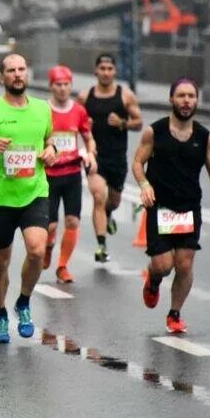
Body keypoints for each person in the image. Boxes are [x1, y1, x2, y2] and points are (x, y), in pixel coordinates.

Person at [132, 78, 210, 333]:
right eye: (181, 96)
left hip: (189, 206)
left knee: (185, 264)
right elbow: (137, 163)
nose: (186, 101)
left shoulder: (204, 137)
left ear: (196, 101)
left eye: (191, 96)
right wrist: (144, 186)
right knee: (163, 266)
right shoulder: (155, 132)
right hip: (160, 206)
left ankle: (174, 314)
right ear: (171, 100)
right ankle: (153, 280)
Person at [0, 54, 57, 344]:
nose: (18, 74)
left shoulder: (43, 109)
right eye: (11, 70)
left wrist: (51, 151)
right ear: (2, 77)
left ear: (28, 74)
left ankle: (23, 301)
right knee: (0, 262)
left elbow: (50, 140)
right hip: (0, 198)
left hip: (34, 192)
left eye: (22, 69)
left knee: (36, 250)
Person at [77, 53, 142, 263]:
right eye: (102, 69)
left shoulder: (125, 96)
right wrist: (84, 126)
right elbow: (73, 122)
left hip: (117, 158)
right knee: (98, 196)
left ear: (115, 71)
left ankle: (109, 214)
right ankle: (101, 246)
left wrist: (123, 123)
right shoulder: (85, 97)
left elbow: (139, 122)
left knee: (113, 201)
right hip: (94, 157)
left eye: (109, 69)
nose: (105, 73)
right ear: (95, 71)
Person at [43, 66, 97, 283]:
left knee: (73, 221)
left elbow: (88, 137)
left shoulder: (79, 111)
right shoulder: (43, 111)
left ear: (71, 86)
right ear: (51, 86)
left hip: (72, 173)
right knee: (50, 225)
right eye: (58, 84)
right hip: (49, 174)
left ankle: (63, 266)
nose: (63, 89)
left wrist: (91, 154)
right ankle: (48, 246)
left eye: (66, 84)